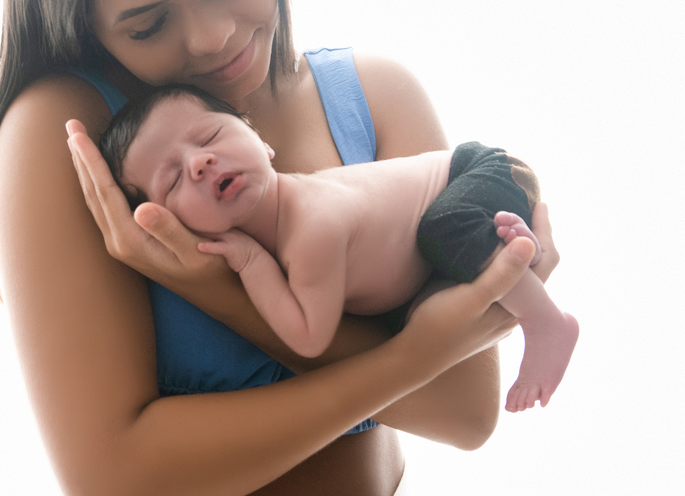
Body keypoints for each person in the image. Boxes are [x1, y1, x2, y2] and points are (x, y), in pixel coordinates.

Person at [0, 0, 560, 496]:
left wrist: (218, 288)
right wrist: (411, 355)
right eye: (149, 23)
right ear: (87, 26)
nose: (214, 33)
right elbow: (114, 493)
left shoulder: (375, 96)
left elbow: (465, 413)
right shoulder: (69, 134)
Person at [94, 83, 578, 414]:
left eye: (210, 135)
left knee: (445, 230)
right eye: (174, 178)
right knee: (430, 306)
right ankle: (508, 249)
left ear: (261, 141)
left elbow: (307, 337)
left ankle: (548, 324)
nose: (199, 162)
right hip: (479, 201)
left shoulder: (312, 227)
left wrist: (247, 259)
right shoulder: (295, 220)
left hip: (482, 174)